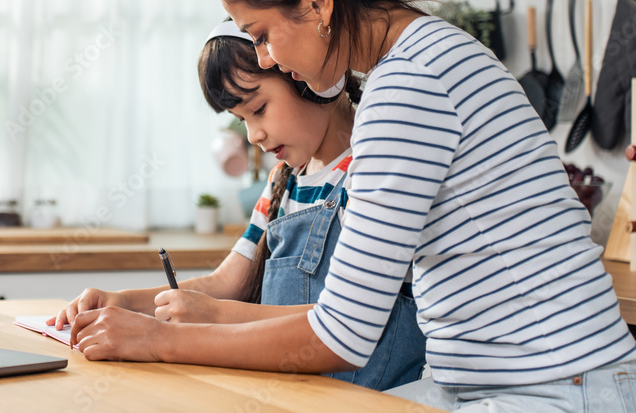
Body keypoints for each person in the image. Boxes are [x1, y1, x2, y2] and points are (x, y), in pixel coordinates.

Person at [68, 0, 636, 410]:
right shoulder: (423, 58)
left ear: (317, 2)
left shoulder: (408, 84)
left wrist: (163, 341)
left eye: (263, 35)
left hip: (562, 391)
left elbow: (340, 334)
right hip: (519, 384)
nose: (268, 58)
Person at [52, 20, 426, 390]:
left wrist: (212, 316)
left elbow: (350, 318)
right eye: (241, 119)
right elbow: (227, 281)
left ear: (312, 80)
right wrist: (125, 302)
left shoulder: (372, 171)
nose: (254, 136)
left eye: (258, 108)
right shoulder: (283, 181)